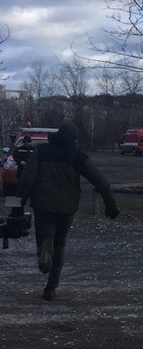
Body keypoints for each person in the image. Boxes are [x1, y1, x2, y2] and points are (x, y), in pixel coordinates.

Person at [17, 121, 119, 301]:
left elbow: (27, 179)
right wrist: (111, 204)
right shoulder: (77, 156)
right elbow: (100, 181)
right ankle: (51, 287)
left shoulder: (40, 151)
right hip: (67, 207)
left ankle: (43, 252)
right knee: (60, 244)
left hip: (43, 205)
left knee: (45, 239)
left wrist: (18, 205)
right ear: (74, 138)